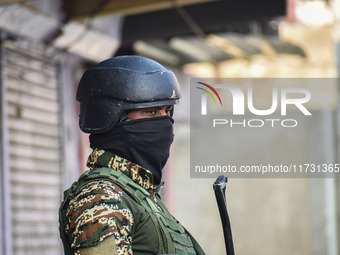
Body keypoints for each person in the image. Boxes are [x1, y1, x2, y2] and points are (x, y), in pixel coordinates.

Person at [59, 55, 206, 255]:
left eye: (167, 111)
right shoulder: (103, 198)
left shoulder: (141, 195)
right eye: (152, 112)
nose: (165, 123)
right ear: (112, 117)